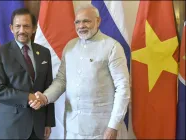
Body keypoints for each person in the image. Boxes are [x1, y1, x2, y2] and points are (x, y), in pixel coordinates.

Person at [29, 5, 130, 139]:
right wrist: (45, 97)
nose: (81, 25)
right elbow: (61, 80)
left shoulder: (112, 47)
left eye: (86, 21)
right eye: (78, 22)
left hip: (102, 129)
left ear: (98, 21)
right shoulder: (70, 47)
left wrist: (113, 126)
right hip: (72, 127)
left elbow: (123, 88)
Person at [0, 8, 55, 139]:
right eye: (18, 26)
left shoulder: (44, 52)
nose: (22, 30)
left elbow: (48, 87)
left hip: (38, 126)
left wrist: (48, 122)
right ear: (11, 28)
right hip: (11, 127)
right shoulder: (0, 53)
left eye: (26, 26)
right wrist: (28, 97)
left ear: (34, 28)